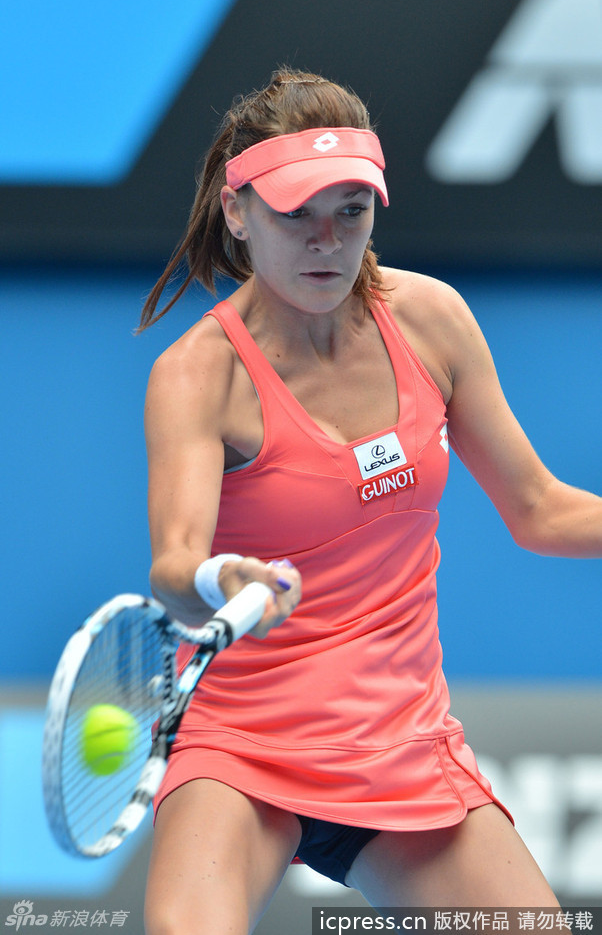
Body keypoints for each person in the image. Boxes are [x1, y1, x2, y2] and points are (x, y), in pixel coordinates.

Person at [140, 67, 602, 934]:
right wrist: (218, 580)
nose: (326, 241)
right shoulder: (200, 377)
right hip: (242, 743)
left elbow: (540, 510)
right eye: (295, 215)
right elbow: (173, 566)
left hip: (400, 741)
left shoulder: (431, 321)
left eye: (350, 211)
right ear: (239, 213)